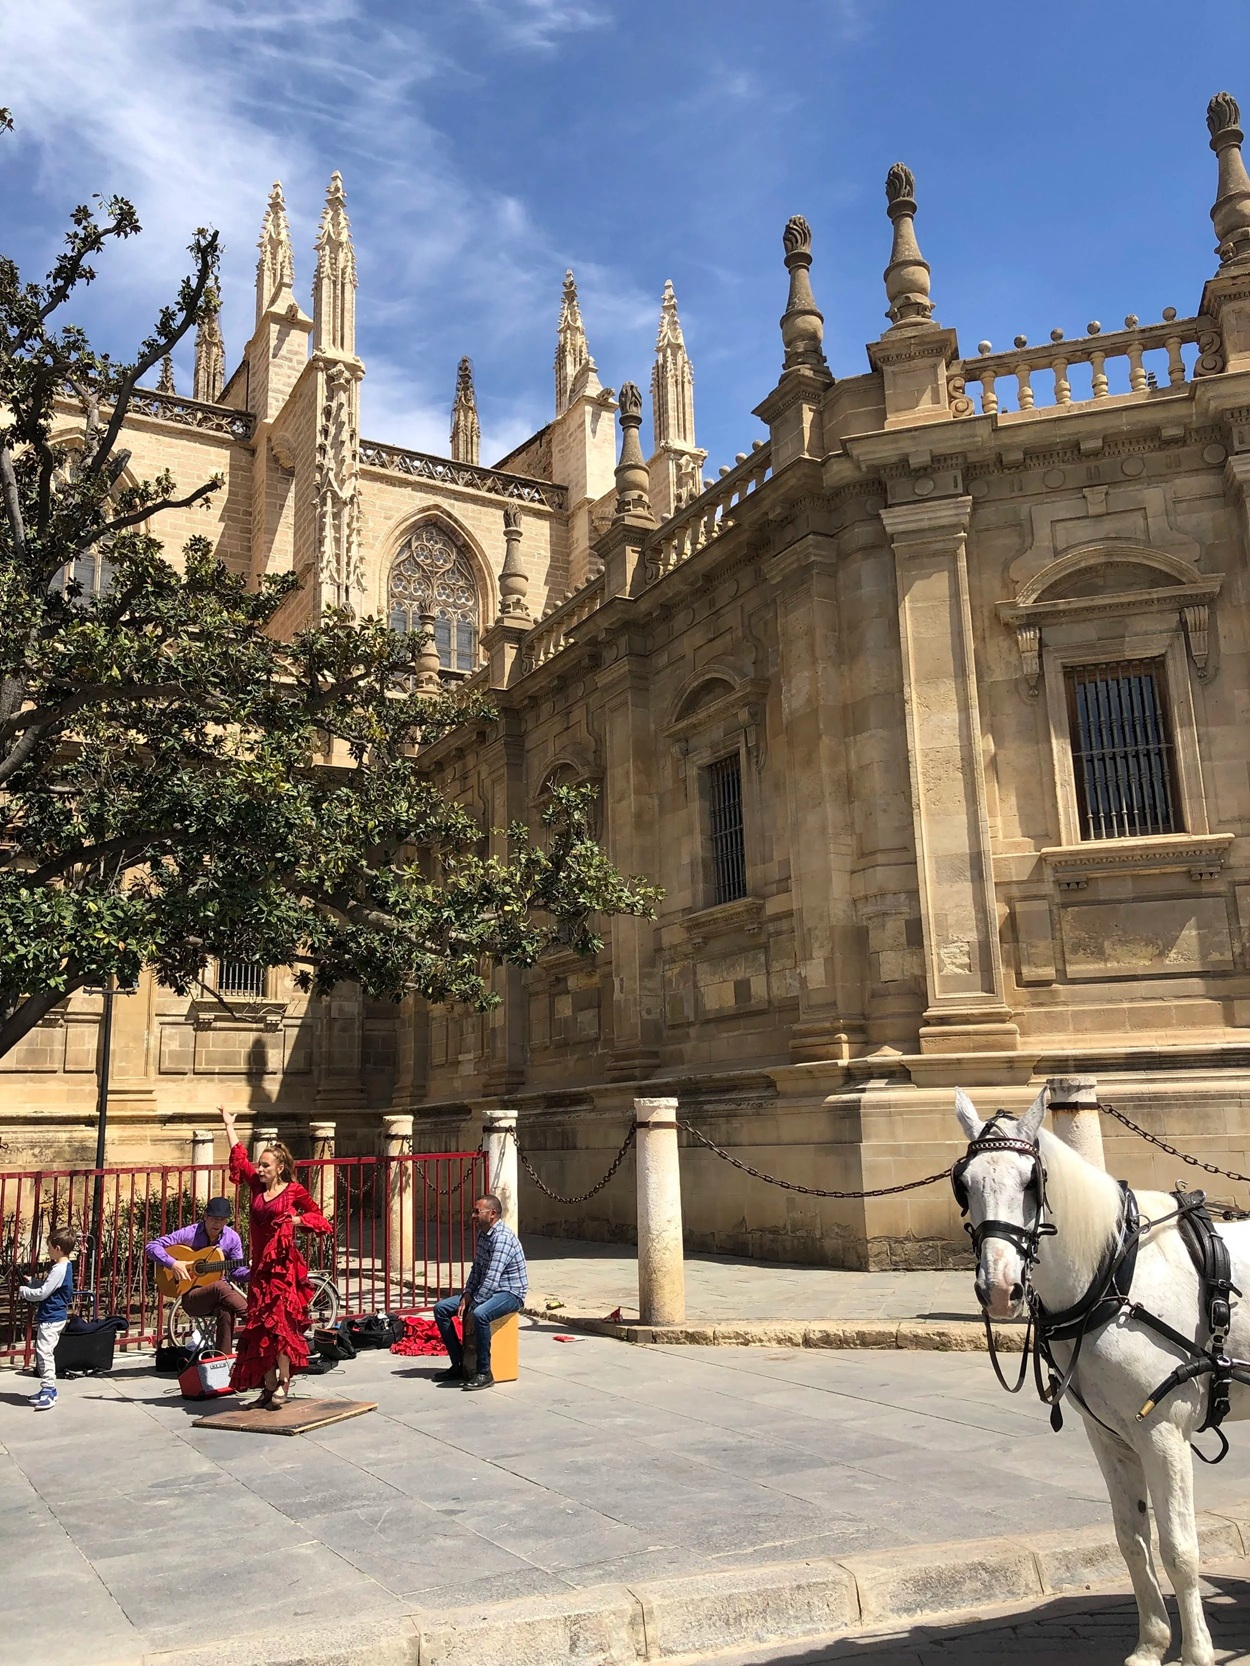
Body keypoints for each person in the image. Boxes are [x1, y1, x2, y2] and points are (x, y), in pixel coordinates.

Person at [218, 1106, 332, 1408]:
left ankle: (284, 1381)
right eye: (261, 1164)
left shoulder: (293, 1191)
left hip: (282, 1270)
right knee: (261, 1327)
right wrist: (229, 1126)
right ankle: (267, 1386)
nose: (261, 1169)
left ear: (279, 1168)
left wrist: (296, 1221)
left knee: (280, 1325)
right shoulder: (257, 1186)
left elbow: (320, 1218)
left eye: (266, 1165)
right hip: (261, 1270)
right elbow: (240, 1160)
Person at [432, 1195, 527, 1390]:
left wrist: (471, 1307)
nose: (473, 1215)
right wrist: (467, 1294)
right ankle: (459, 1363)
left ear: (492, 1214)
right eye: (473, 1211)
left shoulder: (502, 1239)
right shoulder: (484, 1234)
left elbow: (492, 1278)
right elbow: (477, 1269)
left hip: (510, 1292)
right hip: (487, 1290)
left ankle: (484, 1372)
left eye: (477, 1211)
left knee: (479, 1314)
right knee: (441, 1309)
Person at [145, 1197, 250, 1355]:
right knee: (221, 1286)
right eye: (214, 1219)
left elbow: (237, 1273)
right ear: (205, 1216)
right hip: (193, 1297)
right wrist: (173, 1263)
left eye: (222, 1220)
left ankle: (224, 1361)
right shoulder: (190, 1233)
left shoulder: (232, 1238)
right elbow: (152, 1246)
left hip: (219, 1298)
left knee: (226, 1311)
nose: (218, 1224)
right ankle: (257, 1321)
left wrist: (254, 1271)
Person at [19, 1227, 79, 1411]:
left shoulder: (59, 1269)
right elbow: (51, 1288)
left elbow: (43, 1293)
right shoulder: (64, 1266)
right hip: (53, 1315)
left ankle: (49, 1390)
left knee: (44, 1353)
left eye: (50, 1247)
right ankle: (46, 1388)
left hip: (51, 1317)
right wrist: (33, 1282)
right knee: (44, 1352)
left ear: (58, 1248)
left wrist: (25, 1291)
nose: (48, 1251)